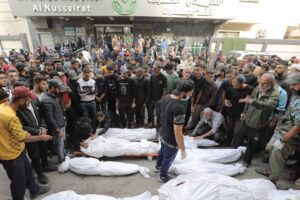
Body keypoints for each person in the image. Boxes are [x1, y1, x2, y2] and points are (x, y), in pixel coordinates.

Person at [0, 86, 52, 200]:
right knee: (19, 181)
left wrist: (23, 133)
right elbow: (23, 138)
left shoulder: (4, 107)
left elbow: (13, 131)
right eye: (29, 100)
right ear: (21, 101)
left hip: (18, 149)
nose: (31, 102)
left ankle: (35, 190)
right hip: (11, 154)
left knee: (28, 171)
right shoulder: (10, 116)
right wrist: (41, 137)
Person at [255, 72, 300, 187]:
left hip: (292, 135)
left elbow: (297, 126)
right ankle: (271, 171)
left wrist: (283, 139)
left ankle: (272, 181)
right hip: (285, 129)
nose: (291, 87)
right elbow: (290, 111)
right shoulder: (296, 95)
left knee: (277, 152)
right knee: (272, 150)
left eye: (294, 85)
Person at [155, 79, 194, 183]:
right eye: (190, 91)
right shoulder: (179, 108)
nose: (191, 93)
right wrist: (183, 149)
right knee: (168, 159)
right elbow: (178, 133)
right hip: (171, 139)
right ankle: (162, 176)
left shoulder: (166, 97)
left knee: (162, 151)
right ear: (182, 93)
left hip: (163, 132)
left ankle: (157, 167)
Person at [236, 73, 279, 167]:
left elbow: (269, 106)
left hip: (259, 122)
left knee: (252, 143)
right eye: (261, 82)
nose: (262, 85)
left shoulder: (275, 93)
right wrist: (244, 112)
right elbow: (249, 100)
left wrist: (253, 102)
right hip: (248, 118)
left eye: (265, 83)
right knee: (240, 136)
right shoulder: (257, 88)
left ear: (271, 83)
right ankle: (236, 154)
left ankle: (246, 161)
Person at [40, 79, 66, 163]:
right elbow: (49, 117)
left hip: (60, 123)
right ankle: (61, 159)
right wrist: (57, 129)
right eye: (58, 88)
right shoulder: (47, 100)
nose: (60, 90)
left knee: (61, 142)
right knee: (58, 144)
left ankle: (64, 155)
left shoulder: (53, 97)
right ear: (52, 88)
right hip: (57, 126)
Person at [148, 61, 167, 128]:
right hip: (151, 99)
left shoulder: (163, 78)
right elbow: (150, 87)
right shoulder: (152, 76)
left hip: (158, 100)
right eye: (153, 68)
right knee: (151, 113)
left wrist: (161, 99)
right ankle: (153, 124)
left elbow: (165, 89)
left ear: (159, 68)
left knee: (158, 113)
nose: (154, 69)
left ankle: (158, 125)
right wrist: (149, 98)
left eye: (155, 68)